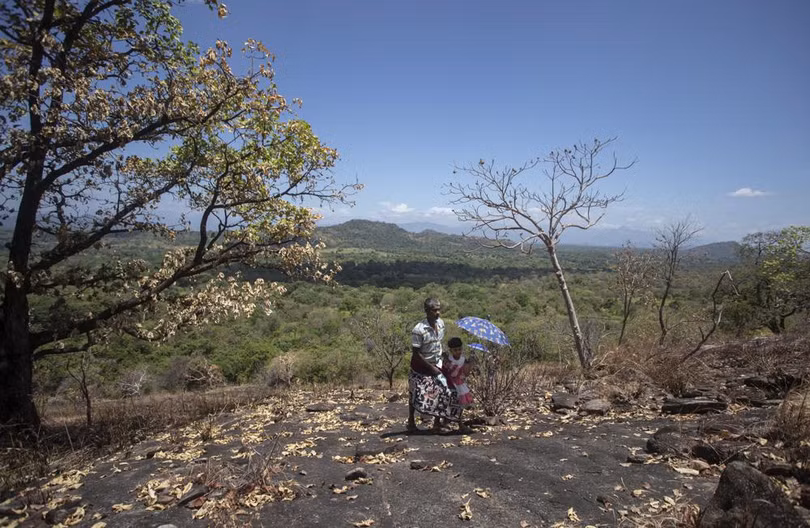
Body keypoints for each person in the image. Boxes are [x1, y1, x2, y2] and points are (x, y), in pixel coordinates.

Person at [407, 298, 461, 433]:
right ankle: (411, 421)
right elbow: (416, 353)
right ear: (427, 311)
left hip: (437, 363)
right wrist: (431, 368)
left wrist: (443, 358)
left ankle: (437, 423)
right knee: (414, 393)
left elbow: (438, 343)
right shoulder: (418, 330)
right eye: (434, 310)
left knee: (444, 390)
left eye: (438, 309)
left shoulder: (441, 324)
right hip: (420, 366)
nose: (438, 313)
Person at [442, 337, 474, 434]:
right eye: (455, 350)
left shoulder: (463, 360)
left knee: (460, 405)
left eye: (459, 349)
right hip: (449, 383)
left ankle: (459, 422)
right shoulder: (448, 359)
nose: (458, 352)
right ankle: (445, 422)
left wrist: (470, 363)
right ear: (451, 350)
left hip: (459, 384)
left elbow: (466, 373)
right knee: (448, 403)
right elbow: (446, 370)